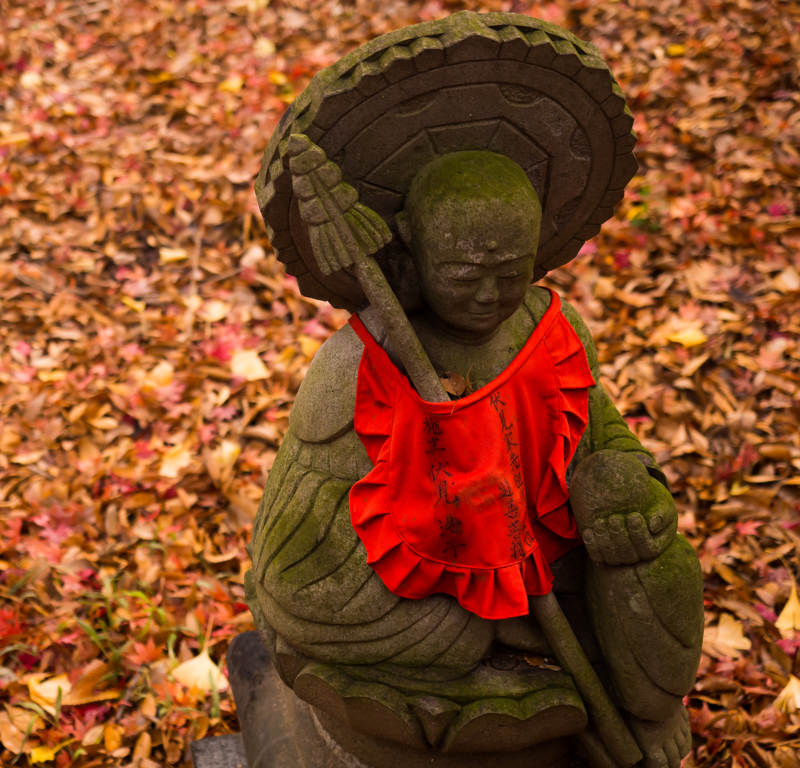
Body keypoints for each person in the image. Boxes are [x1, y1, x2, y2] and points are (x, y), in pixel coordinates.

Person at [245, 151, 702, 768]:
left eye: (510, 274)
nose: (489, 296)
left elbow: (601, 436)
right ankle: (517, 641)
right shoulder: (363, 361)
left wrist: (620, 491)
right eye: (462, 275)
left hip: (543, 554)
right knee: (416, 628)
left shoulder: (551, 334)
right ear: (414, 253)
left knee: (655, 564)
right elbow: (295, 544)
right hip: (419, 578)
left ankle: (646, 706)